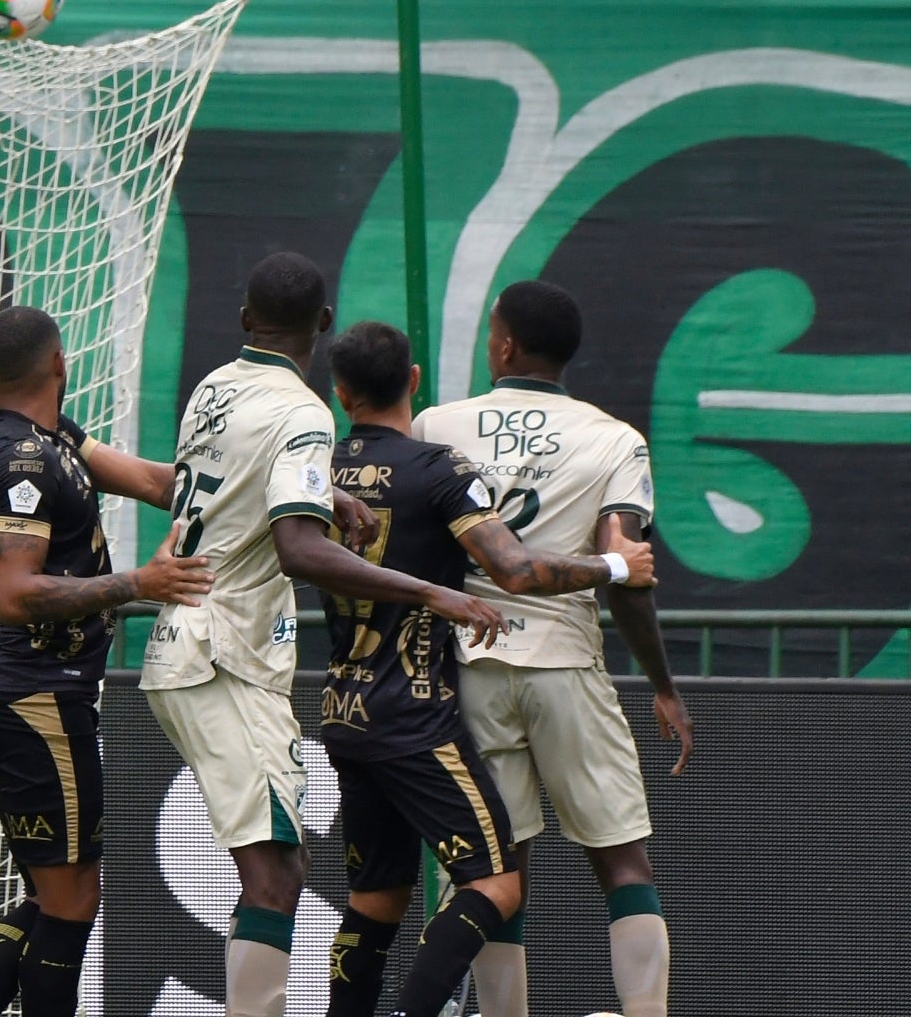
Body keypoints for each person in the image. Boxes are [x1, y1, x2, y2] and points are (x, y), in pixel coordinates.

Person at [135, 253, 506, 1017]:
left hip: (196, 646)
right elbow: (297, 551)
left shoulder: (214, 385)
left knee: (315, 879)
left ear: (244, 320)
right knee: (276, 878)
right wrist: (438, 591)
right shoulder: (305, 412)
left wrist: (326, 488)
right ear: (323, 323)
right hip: (225, 655)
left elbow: (217, 484)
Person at [319, 320, 657, 1017]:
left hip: (396, 688)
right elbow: (538, 565)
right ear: (410, 381)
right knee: (546, 872)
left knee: (396, 894)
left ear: (340, 390)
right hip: (469, 688)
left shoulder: (372, 450)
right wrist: (629, 595)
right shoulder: (602, 439)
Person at [414, 281, 692, 1017]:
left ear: (504, 346)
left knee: (496, 865)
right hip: (566, 663)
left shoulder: (436, 425)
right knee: (622, 858)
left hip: (469, 664)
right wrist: (662, 685)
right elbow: (626, 575)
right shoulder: (614, 439)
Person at [0, 305, 216, 1017]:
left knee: (52, 898)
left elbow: (161, 485)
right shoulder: (21, 459)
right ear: (62, 366)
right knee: (70, 903)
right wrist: (138, 583)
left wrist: (274, 486)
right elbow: (13, 593)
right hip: (33, 695)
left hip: (35, 691)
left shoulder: (51, 437)